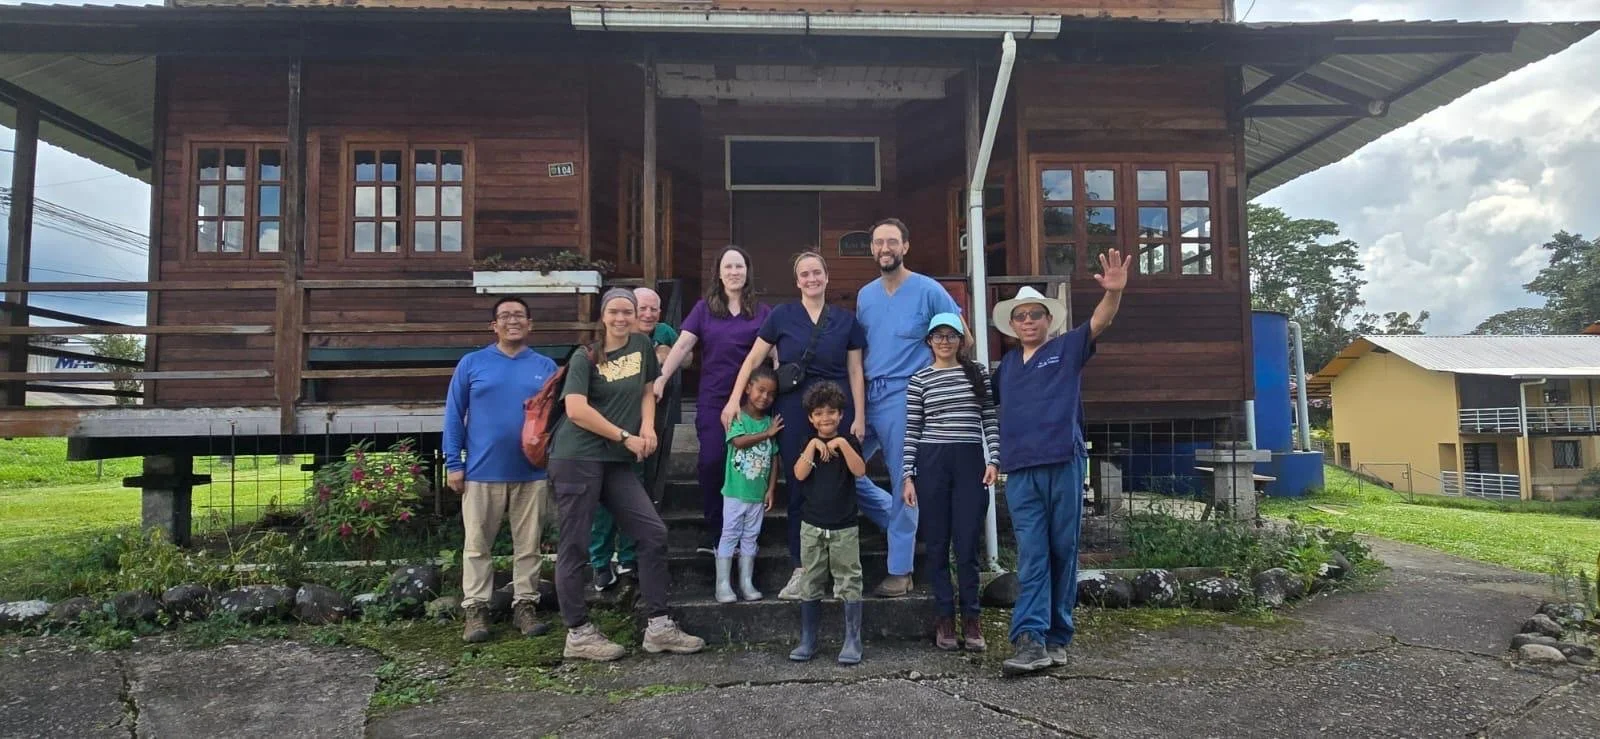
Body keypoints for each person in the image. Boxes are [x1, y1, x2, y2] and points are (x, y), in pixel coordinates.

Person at [549, 288, 705, 661]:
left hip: (615, 460)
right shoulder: (585, 356)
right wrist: (625, 436)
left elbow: (649, 390)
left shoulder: (641, 347)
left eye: (627, 312)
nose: (621, 318)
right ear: (603, 316)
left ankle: (659, 626)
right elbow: (575, 409)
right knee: (574, 546)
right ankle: (578, 633)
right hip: (577, 457)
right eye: (614, 312)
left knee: (652, 533)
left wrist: (648, 427)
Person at [993, 250, 1128, 676]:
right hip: (1020, 471)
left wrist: (1114, 292)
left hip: (1064, 462)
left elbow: (1100, 322)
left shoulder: (1066, 348)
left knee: (1063, 550)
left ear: (1048, 320)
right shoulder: (1006, 366)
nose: (1028, 321)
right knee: (1032, 553)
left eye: (1035, 314)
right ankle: (1029, 638)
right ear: (1012, 324)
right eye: (1021, 316)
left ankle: (1057, 636)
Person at [721, 251, 871, 601]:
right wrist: (733, 399)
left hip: (835, 412)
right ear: (797, 281)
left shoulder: (846, 320)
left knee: (838, 484)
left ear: (827, 276)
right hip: (793, 409)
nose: (811, 279)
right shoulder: (782, 316)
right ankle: (801, 568)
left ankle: (840, 569)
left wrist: (860, 416)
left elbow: (855, 371)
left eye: (816, 272)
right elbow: (754, 359)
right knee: (799, 485)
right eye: (804, 274)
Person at [853, 218, 962, 598]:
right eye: (878, 242)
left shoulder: (929, 290)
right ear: (872, 249)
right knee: (841, 468)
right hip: (867, 395)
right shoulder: (865, 296)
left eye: (892, 241)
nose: (885, 248)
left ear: (905, 246)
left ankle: (900, 571)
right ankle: (901, 523)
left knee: (904, 479)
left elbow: (959, 334)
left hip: (906, 395)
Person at [443, 296, 559, 643]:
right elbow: (454, 414)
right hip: (481, 472)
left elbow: (557, 418)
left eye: (519, 315)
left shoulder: (545, 366)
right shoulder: (472, 363)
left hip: (532, 473)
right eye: (505, 316)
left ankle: (525, 605)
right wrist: (454, 462)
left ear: (530, 324)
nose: (513, 321)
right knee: (477, 547)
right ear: (494, 325)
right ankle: (476, 609)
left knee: (529, 547)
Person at [655, 247, 772, 554]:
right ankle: (718, 534)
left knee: (747, 468)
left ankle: (747, 536)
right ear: (719, 273)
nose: (734, 272)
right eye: (728, 267)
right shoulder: (704, 309)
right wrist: (662, 379)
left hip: (751, 405)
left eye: (739, 266)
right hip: (713, 399)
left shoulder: (762, 312)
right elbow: (682, 347)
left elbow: (776, 353)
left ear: (747, 271)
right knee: (712, 461)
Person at [901, 312, 999, 652]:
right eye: (938, 336)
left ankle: (972, 620)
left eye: (951, 335)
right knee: (937, 545)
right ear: (929, 341)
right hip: (932, 461)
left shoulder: (977, 374)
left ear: (961, 340)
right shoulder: (919, 380)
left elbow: (989, 418)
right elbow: (912, 429)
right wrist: (907, 475)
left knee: (968, 544)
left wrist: (994, 459)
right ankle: (944, 620)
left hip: (970, 460)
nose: (944, 341)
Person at [589, 286, 679, 591]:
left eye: (654, 309)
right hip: (604, 437)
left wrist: (664, 352)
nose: (648, 314)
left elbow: (682, 357)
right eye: (641, 309)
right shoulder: (597, 351)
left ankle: (628, 559)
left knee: (635, 498)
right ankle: (600, 563)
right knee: (603, 505)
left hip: (640, 435)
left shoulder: (658, 335)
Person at [787, 381, 868, 665]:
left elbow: (860, 471)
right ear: (811, 418)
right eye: (819, 413)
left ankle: (852, 639)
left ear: (841, 415)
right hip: (812, 526)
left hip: (844, 526)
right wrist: (812, 446)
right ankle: (808, 639)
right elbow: (799, 474)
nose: (826, 418)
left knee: (849, 580)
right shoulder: (806, 443)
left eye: (831, 412)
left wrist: (842, 444)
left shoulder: (849, 442)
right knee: (811, 580)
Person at [716, 365, 782, 604]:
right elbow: (738, 442)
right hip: (736, 491)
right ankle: (723, 584)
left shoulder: (769, 422)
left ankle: (746, 582)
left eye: (771, 394)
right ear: (747, 388)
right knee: (730, 534)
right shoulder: (738, 416)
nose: (765, 397)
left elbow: (774, 458)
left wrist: (771, 489)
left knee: (751, 537)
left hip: (757, 493)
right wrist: (767, 434)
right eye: (760, 390)